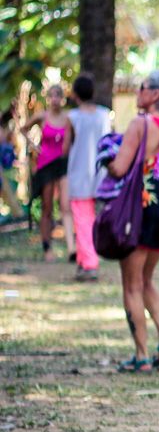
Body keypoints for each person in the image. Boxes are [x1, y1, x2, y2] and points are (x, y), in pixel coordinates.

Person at [106, 71, 159, 372]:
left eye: (142, 88)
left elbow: (119, 168)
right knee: (147, 280)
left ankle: (142, 355)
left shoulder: (141, 124)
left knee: (131, 284)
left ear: (155, 95)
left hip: (139, 210)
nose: (137, 92)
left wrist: (105, 157)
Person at [67, 73, 112, 282]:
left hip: (79, 172)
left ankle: (89, 263)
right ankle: (83, 261)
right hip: (101, 173)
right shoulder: (104, 115)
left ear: (75, 95)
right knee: (91, 220)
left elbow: (66, 147)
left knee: (83, 219)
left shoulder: (73, 117)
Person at [21, 85, 72, 261]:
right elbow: (23, 129)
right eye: (51, 96)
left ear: (62, 98)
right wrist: (34, 146)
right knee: (47, 207)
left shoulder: (68, 118)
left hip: (63, 164)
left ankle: (71, 247)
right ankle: (46, 246)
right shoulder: (43, 116)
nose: (55, 99)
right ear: (48, 98)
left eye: (58, 96)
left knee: (66, 205)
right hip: (46, 164)